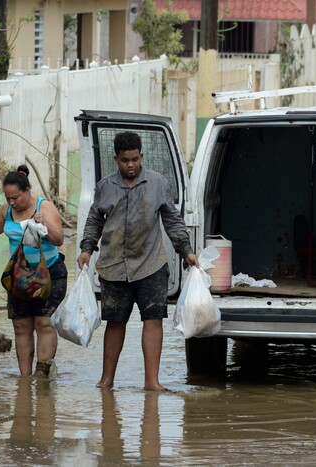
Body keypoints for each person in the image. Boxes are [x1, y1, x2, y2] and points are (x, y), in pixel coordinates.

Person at [77, 131, 199, 391]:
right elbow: (94, 220)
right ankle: (106, 380)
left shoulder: (158, 184)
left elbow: (172, 221)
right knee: (115, 321)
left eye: (134, 159)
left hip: (151, 264)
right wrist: (87, 249)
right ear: (116, 159)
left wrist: (186, 251)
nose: (130, 165)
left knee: (153, 320)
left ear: (142, 156)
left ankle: (152, 382)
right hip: (113, 267)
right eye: (124, 160)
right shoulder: (105, 187)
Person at [0, 165, 67, 377]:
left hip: (49, 274)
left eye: (15, 198)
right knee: (21, 326)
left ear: (27, 191)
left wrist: (44, 224)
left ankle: (43, 376)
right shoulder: (7, 210)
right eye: (8, 198)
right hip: (18, 277)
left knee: (44, 323)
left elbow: (59, 239)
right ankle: (25, 380)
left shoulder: (43, 207)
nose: (11, 202)